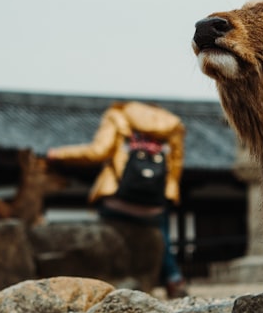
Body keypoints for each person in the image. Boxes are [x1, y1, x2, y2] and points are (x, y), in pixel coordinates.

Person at [47, 100, 188, 298]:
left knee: (107, 235)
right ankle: (174, 280)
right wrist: (168, 195)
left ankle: (112, 279)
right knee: (161, 238)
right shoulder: (172, 125)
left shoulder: (118, 115)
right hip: (153, 206)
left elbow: (98, 152)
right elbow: (175, 166)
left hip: (118, 201)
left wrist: (58, 154)